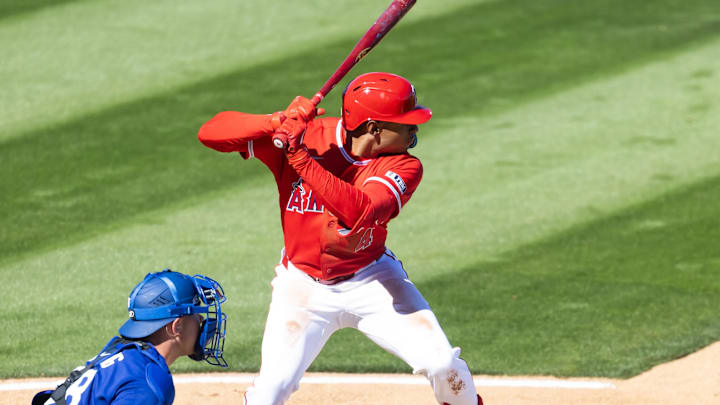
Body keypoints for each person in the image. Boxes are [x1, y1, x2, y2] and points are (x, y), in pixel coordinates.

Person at [198, 72, 482, 405]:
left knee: (444, 364)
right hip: (302, 286)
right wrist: (275, 121)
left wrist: (300, 159)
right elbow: (211, 133)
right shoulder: (311, 135)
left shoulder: (404, 166)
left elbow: (360, 211)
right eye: (406, 124)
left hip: (371, 279)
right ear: (374, 128)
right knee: (270, 392)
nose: (415, 130)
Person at [32, 269, 228, 405]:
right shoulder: (149, 382)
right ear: (176, 326)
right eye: (195, 314)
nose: (201, 319)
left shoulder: (121, 350)